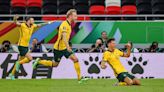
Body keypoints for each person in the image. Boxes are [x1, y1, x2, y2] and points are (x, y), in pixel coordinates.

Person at [32, 9, 89, 83]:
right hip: (58, 49)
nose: (76, 17)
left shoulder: (68, 24)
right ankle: (39, 61)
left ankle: (79, 78)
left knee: (75, 59)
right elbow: (64, 37)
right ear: (70, 16)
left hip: (64, 48)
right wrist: (68, 47)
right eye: (75, 16)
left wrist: (67, 47)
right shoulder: (64, 24)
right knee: (55, 64)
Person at [9, 15, 51, 80]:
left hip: (26, 46)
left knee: (20, 60)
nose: (33, 21)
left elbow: (39, 25)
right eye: (32, 20)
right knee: (30, 59)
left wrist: (47, 23)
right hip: (21, 46)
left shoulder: (32, 26)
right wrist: (15, 19)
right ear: (28, 20)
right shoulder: (22, 25)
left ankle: (11, 74)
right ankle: (18, 64)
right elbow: (16, 23)